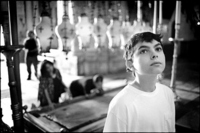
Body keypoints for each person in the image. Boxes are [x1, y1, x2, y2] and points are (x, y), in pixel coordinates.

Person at [103, 32, 175, 132]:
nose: (154, 54)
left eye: (158, 49)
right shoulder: (121, 105)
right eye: (144, 51)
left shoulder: (167, 93)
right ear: (130, 64)